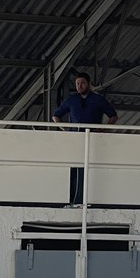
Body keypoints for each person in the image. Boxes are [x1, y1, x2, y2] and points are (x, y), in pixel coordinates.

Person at [52, 72, 118, 206]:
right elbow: (56, 115)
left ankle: (89, 199)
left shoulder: (98, 99)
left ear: (88, 84)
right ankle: (73, 200)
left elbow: (113, 115)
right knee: (74, 167)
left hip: (93, 139)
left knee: (90, 167)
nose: (79, 86)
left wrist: (103, 130)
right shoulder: (71, 100)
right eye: (77, 83)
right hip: (75, 139)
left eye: (82, 83)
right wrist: (65, 130)